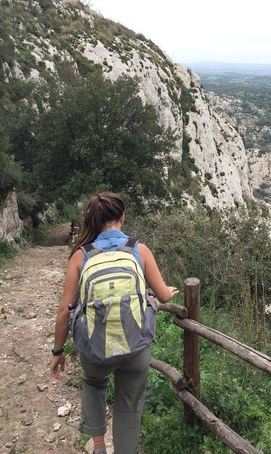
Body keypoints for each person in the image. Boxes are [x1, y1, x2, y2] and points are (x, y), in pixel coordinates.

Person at [50, 192, 178, 454]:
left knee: (93, 382)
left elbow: (65, 309)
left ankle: (98, 446)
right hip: (135, 348)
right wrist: (169, 292)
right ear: (122, 217)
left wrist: (58, 351)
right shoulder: (138, 250)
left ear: (94, 220)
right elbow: (163, 295)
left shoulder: (80, 255)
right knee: (129, 406)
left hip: (95, 349)